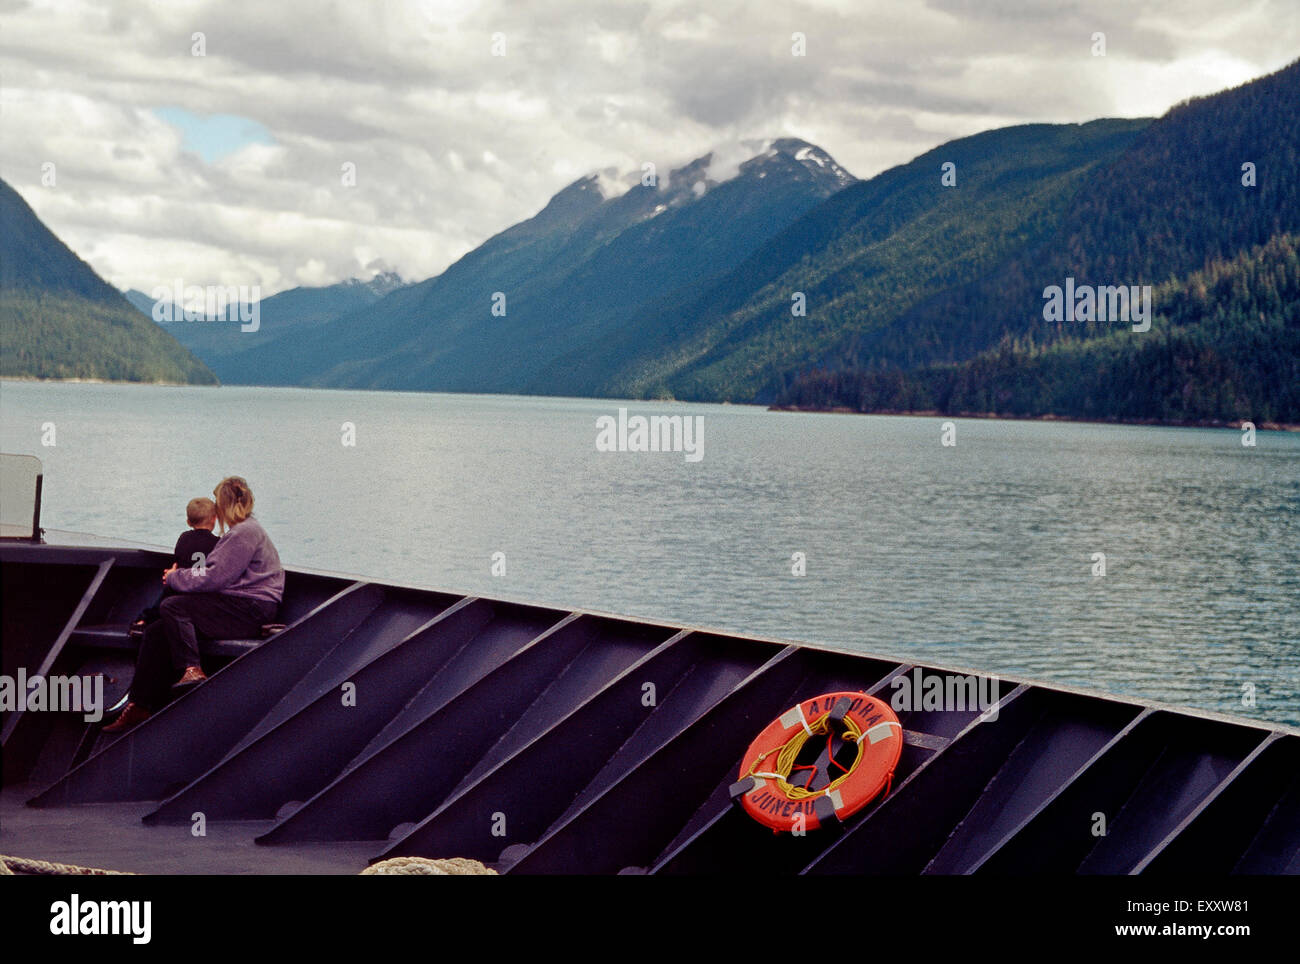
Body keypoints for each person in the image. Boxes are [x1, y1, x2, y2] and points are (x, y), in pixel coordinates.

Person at [104, 477, 285, 732]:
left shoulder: (243, 533)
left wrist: (174, 577)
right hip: (242, 604)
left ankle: (192, 669)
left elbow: (213, 576)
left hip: (251, 609)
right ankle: (140, 704)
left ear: (223, 505)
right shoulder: (244, 530)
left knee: (173, 607)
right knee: (157, 630)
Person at [128, 497, 220, 635]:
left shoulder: (184, 538)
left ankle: (144, 620)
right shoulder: (218, 543)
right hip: (203, 591)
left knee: (166, 594)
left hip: (181, 588)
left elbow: (178, 561)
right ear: (214, 519)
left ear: (188, 522)